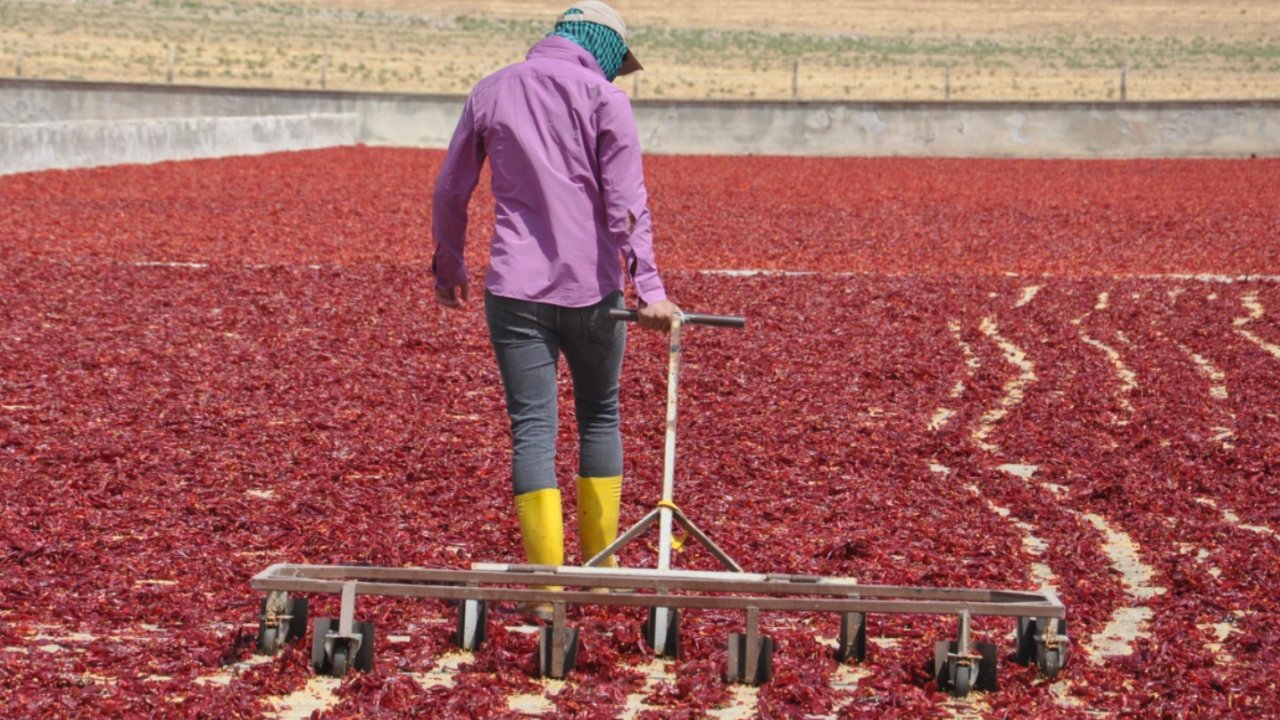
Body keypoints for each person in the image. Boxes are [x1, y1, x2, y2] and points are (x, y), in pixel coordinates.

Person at [431, 1, 678, 618]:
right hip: (594, 292)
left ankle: (544, 591)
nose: (616, 73)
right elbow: (626, 204)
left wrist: (449, 265)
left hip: (514, 290)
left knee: (533, 429)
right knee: (599, 415)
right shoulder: (605, 100)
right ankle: (600, 577)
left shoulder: (492, 89)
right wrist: (648, 289)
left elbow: (450, 188)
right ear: (599, 45)